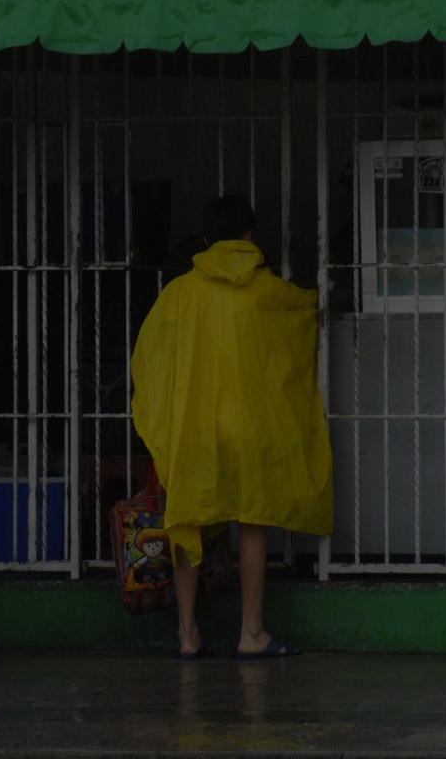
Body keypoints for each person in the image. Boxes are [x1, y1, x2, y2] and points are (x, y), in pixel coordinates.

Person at [130, 194, 333, 661]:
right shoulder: (267, 291)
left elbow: (150, 357)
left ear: (204, 239)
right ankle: (252, 633)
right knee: (254, 524)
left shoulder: (182, 292)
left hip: (195, 430)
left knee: (187, 521)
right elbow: (305, 313)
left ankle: (187, 635)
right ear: (251, 236)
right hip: (252, 428)